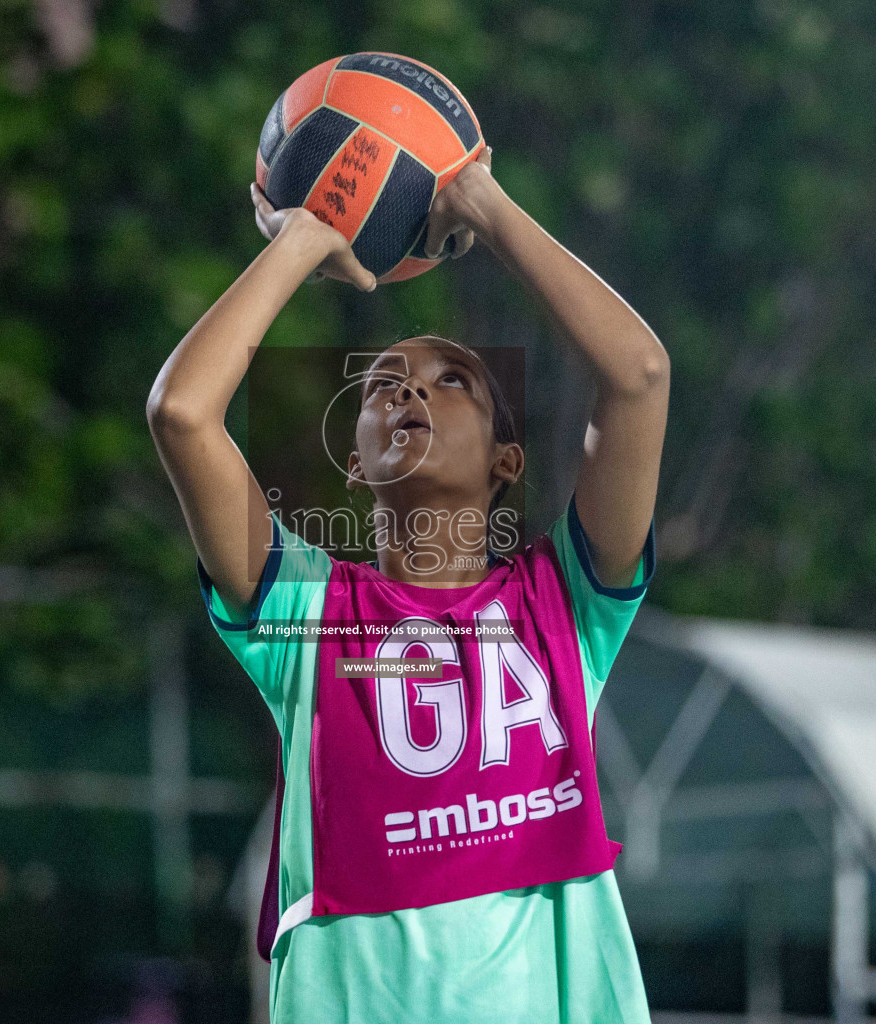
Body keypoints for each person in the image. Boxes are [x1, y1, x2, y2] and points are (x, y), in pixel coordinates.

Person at [146, 143, 669, 1023]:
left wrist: (486, 204)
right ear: (355, 463)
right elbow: (182, 412)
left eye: (451, 380)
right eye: (383, 385)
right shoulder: (305, 614)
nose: (408, 394)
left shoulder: (562, 608)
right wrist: (303, 238)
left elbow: (640, 375)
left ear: (508, 459)